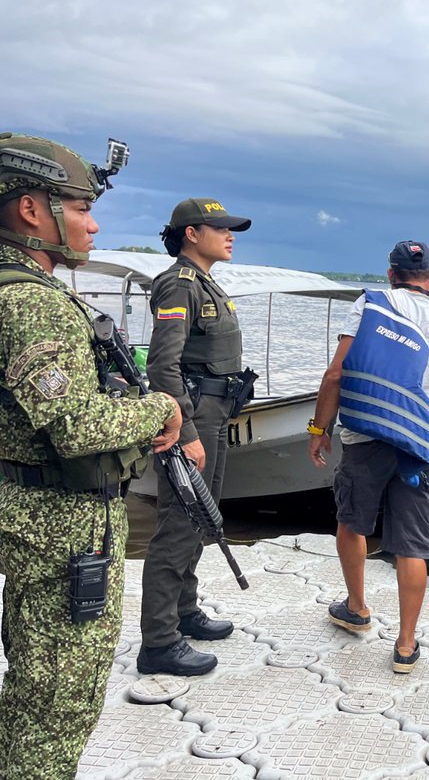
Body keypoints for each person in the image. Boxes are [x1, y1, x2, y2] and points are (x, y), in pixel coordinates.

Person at [0, 133, 181, 777]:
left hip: (32, 515)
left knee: (31, 688)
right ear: (32, 210)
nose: (93, 224)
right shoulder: (33, 302)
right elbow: (76, 426)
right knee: (55, 707)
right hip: (61, 527)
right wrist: (160, 407)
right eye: (81, 208)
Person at [309, 240, 429, 673]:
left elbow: (336, 373)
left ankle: (357, 608)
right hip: (423, 443)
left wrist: (319, 429)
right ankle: (405, 645)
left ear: (390, 275)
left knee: (352, 522)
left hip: (366, 435)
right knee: (413, 546)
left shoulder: (370, 305)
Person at [138, 198, 255, 677]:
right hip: (193, 414)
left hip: (214, 411)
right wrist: (184, 430)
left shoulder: (205, 282)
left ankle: (184, 611)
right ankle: (159, 642)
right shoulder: (179, 284)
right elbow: (162, 366)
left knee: (202, 515)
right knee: (179, 522)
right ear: (191, 233)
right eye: (220, 228)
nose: (230, 236)